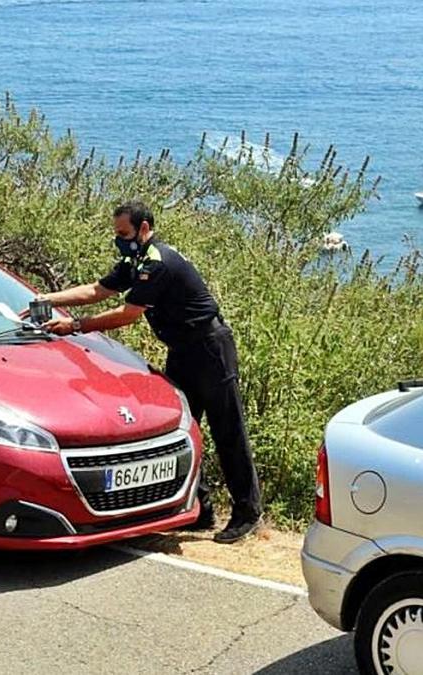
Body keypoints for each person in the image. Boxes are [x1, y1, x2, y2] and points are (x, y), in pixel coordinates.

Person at [38, 200, 263, 543]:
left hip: (209, 348)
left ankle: (248, 512)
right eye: (116, 234)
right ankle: (200, 509)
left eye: (124, 233)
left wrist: (75, 326)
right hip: (183, 351)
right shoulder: (136, 259)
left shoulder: (157, 262)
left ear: (144, 229)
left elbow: (128, 313)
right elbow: (99, 290)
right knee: (183, 429)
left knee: (227, 430)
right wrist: (48, 298)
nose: (119, 240)